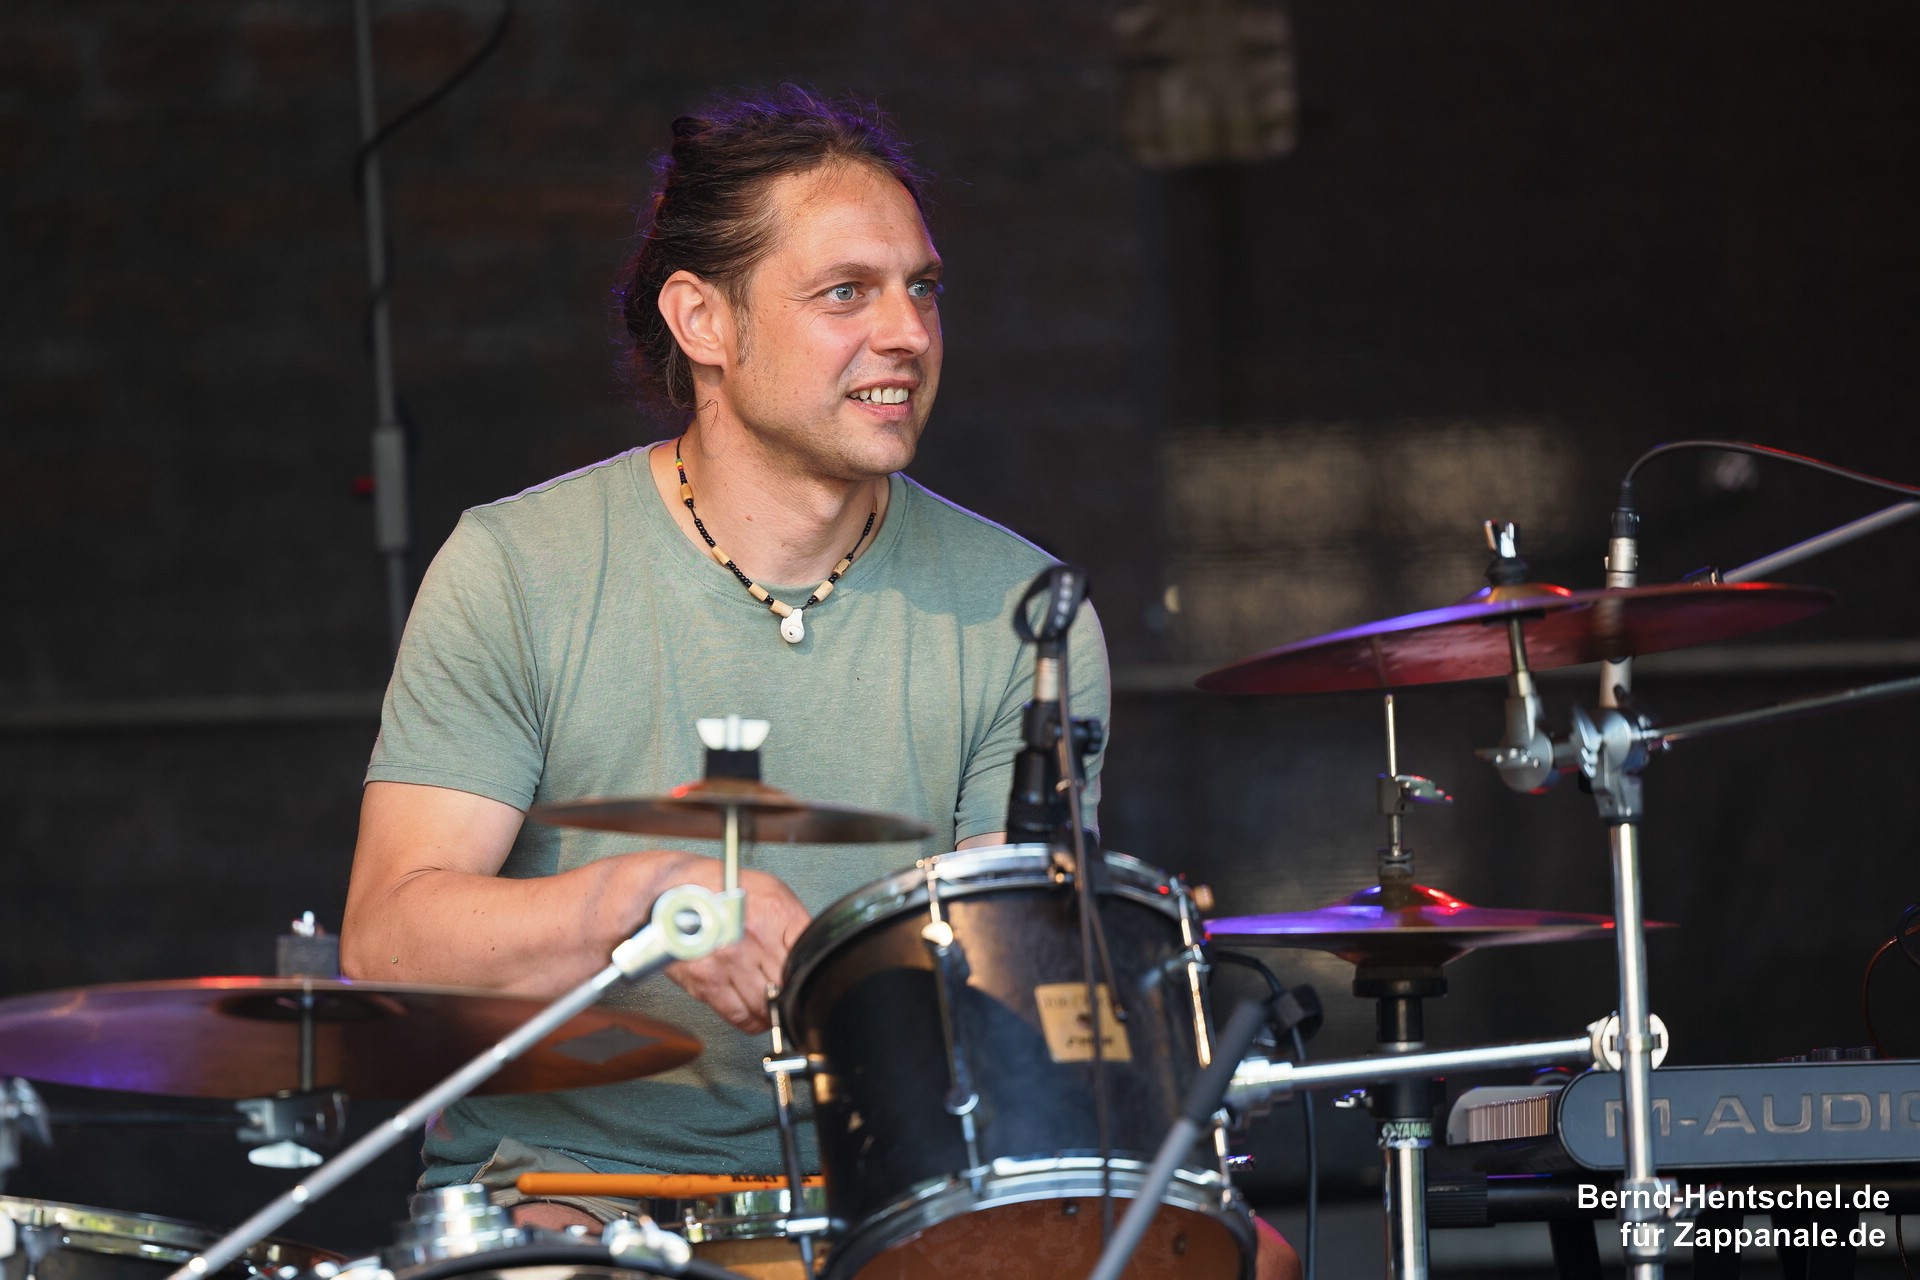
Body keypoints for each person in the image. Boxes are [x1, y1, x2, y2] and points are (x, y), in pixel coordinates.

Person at [340, 86, 1297, 1280]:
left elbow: (1001, 1005)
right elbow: (388, 941)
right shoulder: (517, 569)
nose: (908, 332)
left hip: (880, 1205)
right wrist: (645, 896)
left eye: (922, 288)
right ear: (702, 318)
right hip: (569, 1199)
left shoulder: (1023, 612)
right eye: (846, 291)